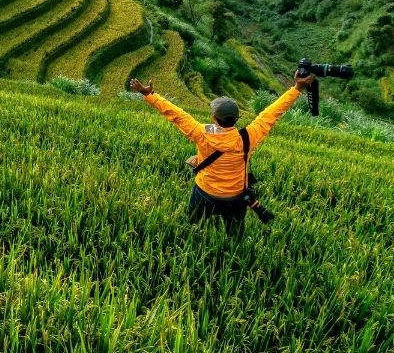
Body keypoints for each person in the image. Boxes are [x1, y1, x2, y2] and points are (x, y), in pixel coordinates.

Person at [128, 72, 314, 235]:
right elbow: (272, 113)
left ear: (214, 118)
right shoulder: (248, 137)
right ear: (236, 119)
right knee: (235, 231)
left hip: (205, 192)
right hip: (236, 196)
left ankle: (190, 236)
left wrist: (148, 94)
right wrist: (297, 87)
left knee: (192, 223)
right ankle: (234, 248)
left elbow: (176, 114)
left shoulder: (202, 133)